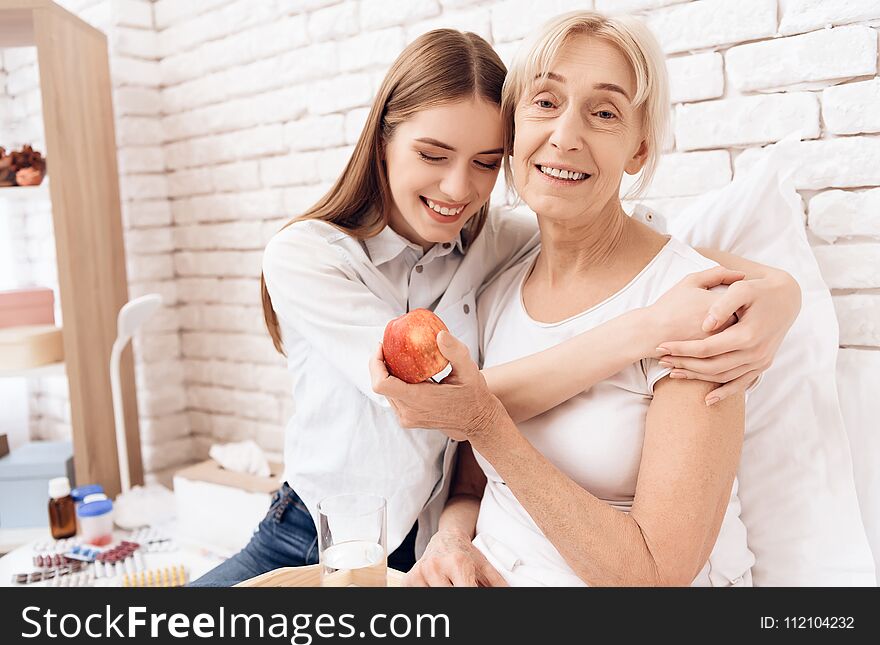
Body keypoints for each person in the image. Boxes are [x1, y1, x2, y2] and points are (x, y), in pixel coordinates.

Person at [191, 27, 800, 587]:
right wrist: (641, 330)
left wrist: (780, 292)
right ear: (381, 142)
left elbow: (647, 244)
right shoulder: (308, 255)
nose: (458, 190)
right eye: (432, 155)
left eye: (485, 163)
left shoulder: (499, 241)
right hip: (315, 533)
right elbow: (422, 399)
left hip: (423, 543)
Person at [371, 12, 790, 587]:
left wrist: (489, 425)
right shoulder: (494, 290)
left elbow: (656, 576)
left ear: (639, 150)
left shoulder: (696, 310)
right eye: (545, 102)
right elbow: (471, 482)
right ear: (512, 128)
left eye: (604, 113)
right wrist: (450, 539)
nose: (566, 135)